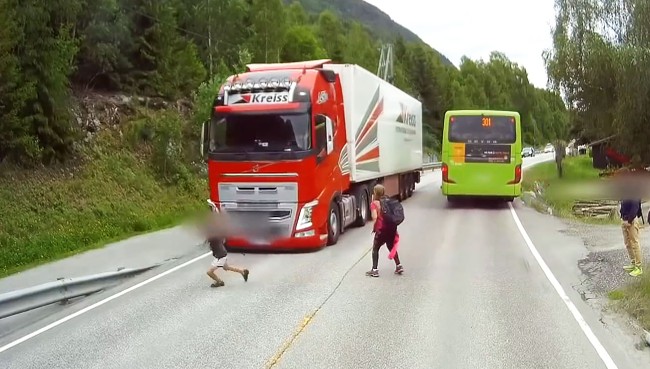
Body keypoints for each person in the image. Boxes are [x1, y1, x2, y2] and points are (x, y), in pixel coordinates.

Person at [202, 210, 250, 287]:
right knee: (226, 267)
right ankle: (242, 272)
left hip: (221, 256)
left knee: (209, 272)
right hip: (221, 254)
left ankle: (219, 282)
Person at [365, 184, 404, 277]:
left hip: (381, 230)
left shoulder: (374, 204)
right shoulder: (387, 202)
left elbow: (375, 217)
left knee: (375, 248)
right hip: (391, 228)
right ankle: (399, 266)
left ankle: (374, 270)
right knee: (390, 246)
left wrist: (374, 228)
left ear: (375, 192)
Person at [620, 198, 643, 277]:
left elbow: (635, 207)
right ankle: (633, 263)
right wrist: (622, 216)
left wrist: (629, 221)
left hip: (632, 221)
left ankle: (639, 268)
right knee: (627, 243)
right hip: (624, 219)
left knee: (634, 243)